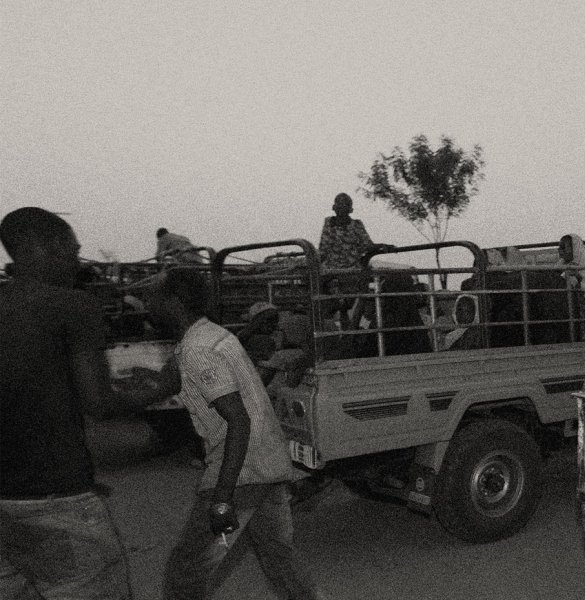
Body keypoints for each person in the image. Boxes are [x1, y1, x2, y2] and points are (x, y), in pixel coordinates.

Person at [115, 268, 320, 600]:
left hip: (242, 471)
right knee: (281, 562)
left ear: (175, 302)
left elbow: (238, 420)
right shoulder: (208, 336)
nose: (146, 303)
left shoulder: (197, 348)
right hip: (266, 464)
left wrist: (222, 496)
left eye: (154, 296)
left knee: (187, 573)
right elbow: (166, 383)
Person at [0, 207, 163, 599]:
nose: (76, 262)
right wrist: (163, 386)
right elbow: (100, 404)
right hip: (55, 497)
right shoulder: (72, 306)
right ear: (42, 247)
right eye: (72, 252)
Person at [318, 192, 385, 271]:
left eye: (344, 206)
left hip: (352, 271)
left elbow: (367, 245)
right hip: (330, 271)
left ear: (350, 210)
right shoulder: (329, 223)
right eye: (339, 205)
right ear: (334, 207)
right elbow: (323, 250)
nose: (341, 209)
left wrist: (382, 246)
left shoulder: (357, 225)